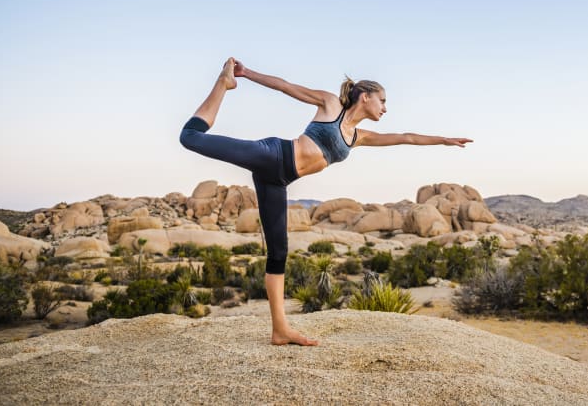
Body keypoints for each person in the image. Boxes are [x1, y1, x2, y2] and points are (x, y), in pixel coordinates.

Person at [179, 57, 473, 346]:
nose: (385, 107)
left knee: (279, 254)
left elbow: (406, 138)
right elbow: (285, 86)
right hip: (272, 154)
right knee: (190, 137)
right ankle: (223, 83)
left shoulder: (359, 137)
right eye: (382, 100)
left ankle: (280, 330)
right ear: (366, 96)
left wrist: (444, 140)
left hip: (277, 181)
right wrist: (246, 73)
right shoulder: (331, 104)